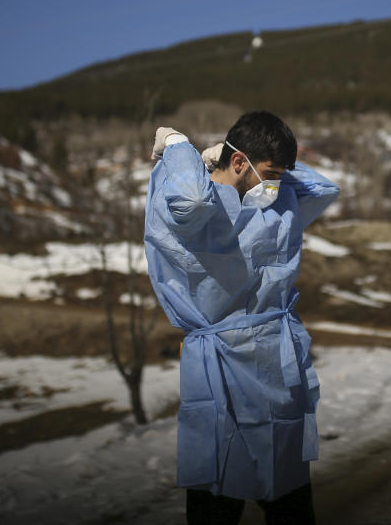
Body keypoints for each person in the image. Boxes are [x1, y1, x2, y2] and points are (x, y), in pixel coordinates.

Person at [144, 111, 339, 524]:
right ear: (239, 163)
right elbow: (193, 198)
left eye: (282, 175)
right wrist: (180, 144)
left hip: (272, 368)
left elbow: (326, 187)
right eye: (270, 172)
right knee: (221, 495)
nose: (277, 184)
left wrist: (200, 153)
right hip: (223, 372)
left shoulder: (276, 202)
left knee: (285, 499)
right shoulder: (193, 214)